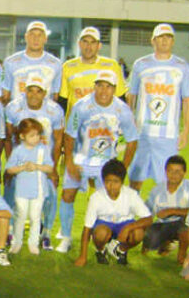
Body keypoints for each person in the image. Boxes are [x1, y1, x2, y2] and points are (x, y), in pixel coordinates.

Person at [58, 70, 138, 253]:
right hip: (81, 159)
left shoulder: (122, 110)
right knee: (68, 195)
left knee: (108, 203)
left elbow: (133, 141)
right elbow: (69, 135)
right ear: (94, 86)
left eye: (108, 86)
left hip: (106, 164)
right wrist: (69, 162)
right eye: (100, 85)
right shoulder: (81, 106)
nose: (103, 90)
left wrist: (122, 168)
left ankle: (105, 240)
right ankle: (66, 237)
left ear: (115, 89)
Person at [126, 24, 189, 191]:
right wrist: (129, 124)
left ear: (173, 41)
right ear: (153, 41)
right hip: (142, 134)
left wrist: (185, 131)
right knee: (135, 179)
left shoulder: (182, 66)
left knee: (167, 183)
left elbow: (187, 100)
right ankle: (132, 215)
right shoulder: (141, 64)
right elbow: (131, 96)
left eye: (168, 37)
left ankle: (166, 216)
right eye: (161, 37)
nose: (165, 40)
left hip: (168, 136)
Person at [4, 74, 64, 250]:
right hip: (20, 162)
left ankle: (45, 233)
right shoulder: (13, 108)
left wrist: (53, 169)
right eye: (30, 90)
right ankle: (9, 231)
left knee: (50, 197)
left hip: (43, 161)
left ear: (45, 92)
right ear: (25, 91)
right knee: (12, 196)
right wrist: (10, 165)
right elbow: (8, 138)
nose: (34, 95)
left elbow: (58, 140)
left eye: (39, 91)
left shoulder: (55, 110)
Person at [74, 159, 153, 267]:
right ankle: (101, 251)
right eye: (107, 181)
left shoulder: (131, 195)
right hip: (104, 225)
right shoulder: (96, 198)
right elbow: (87, 228)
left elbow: (148, 218)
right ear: (103, 181)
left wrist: (128, 228)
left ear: (122, 182)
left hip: (124, 224)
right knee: (101, 233)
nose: (111, 186)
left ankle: (120, 251)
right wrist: (82, 256)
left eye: (115, 181)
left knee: (138, 233)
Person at [5, 118, 55, 255]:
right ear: (22, 136)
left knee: (35, 217)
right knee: (20, 215)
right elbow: (9, 169)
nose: (36, 138)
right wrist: (22, 167)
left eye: (38, 135)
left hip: (39, 190)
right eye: (32, 135)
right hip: (21, 190)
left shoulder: (43, 149)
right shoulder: (18, 151)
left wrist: (37, 166)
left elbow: (50, 168)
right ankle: (16, 242)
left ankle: (33, 243)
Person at [141, 155, 189, 263]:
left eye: (178, 171)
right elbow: (146, 212)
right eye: (170, 171)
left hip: (182, 222)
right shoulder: (157, 189)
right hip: (163, 224)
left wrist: (172, 211)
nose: (173, 175)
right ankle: (166, 242)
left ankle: (181, 256)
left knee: (187, 226)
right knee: (151, 241)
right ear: (165, 171)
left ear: (184, 173)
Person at [59, 26, 127, 115]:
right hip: (76, 124)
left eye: (93, 42)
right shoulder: (67, 66)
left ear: (99, 45)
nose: (88, 47)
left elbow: (120, 98)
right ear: (79, 44)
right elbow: (63, 100)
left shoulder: (112, 66)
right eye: (85, 42)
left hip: (104, 123)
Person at [1, 20, 62, 103]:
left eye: (40, 35)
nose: (36, 38)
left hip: (44, 114)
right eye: (32, 34)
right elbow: (5, 94)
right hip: (18, 113)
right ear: (26, 37)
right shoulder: (10, 62)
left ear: (45, 39)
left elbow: (55, 96)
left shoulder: (56, 64)